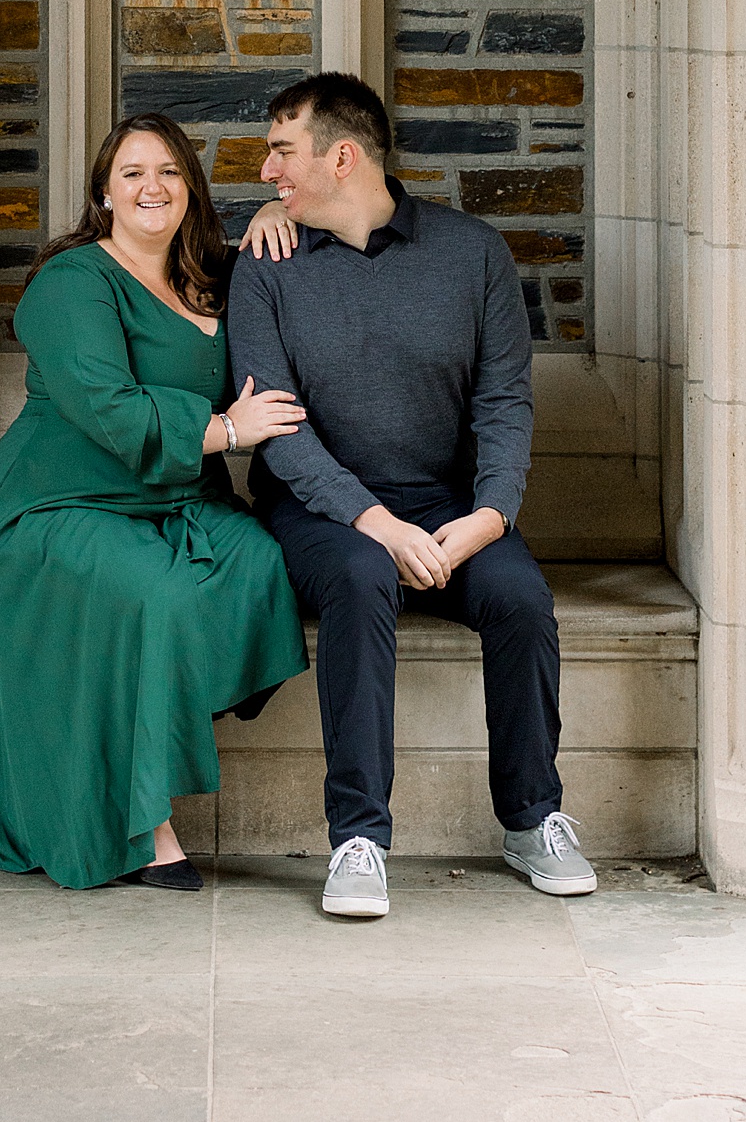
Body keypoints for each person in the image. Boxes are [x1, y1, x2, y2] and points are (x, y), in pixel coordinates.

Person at [229, 71, 597, 918]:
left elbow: (506, 404)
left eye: (283, 151)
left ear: (343, 157)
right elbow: (278, 427)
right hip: (320, 509)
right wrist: (377, 523)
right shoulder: (266, 265)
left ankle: (533, 816)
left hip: (449, 504)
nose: (266, 172)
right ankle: (359, 837)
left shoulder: (473, 255)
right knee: (361, 580)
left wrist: (487, 519)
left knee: (518, 596)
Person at [0, 114, 309, 893]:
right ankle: (142, 823)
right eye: (134, 173)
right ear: (104, 192)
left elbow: (285, 253)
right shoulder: (72, 283)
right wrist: (226, 429)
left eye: (171, 172)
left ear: (191, 190)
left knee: (261, 563)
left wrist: (283, 211)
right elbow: (112, 410)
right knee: (159, 595)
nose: (153, 187)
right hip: (58, 505)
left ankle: (141, 722)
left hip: (175, 498)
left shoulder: (212, 272)